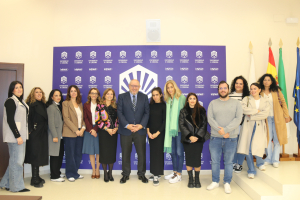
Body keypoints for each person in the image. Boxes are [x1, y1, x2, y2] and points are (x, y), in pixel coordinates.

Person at [207, 81, 243, 194]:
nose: (223, 90)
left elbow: (238, 119)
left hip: (231, 138)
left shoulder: (236, 103)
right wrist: (221, 131)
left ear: (228, 89)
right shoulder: (213, 103)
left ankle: (227, 182)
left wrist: (226, 130)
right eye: (221, 88)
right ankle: (215, 181)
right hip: (215, 138)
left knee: (229, 162)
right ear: (218, 90)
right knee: (215, 161)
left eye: (225, 88)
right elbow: (210, 119)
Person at [117, 79, 149, 184]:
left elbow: (146, 113)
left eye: (136, 86)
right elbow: (120, 112)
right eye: (132, 85)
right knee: (125, 153)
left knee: (141, 154)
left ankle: (142, 174)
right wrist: (127, 125)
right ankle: (125, 174)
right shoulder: (122, 97)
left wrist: (140, 126)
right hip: (126, 130)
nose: (134, 88)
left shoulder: (144, 97)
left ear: (139, 86)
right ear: (128, 86)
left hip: (140, 131)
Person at [0, 81, 30, 192]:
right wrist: (17, 136)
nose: (19, 89)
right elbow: (10, 120)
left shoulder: (21, 101)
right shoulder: (10, 101)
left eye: (21, 87)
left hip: (22, 136)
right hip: (15, 137)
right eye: (16, 87)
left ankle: (5, 183)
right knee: (17, 162)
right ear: (12, 90)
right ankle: (16, 187)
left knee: (15, 161)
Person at [237, 83, 270, 178]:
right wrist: (256, 111)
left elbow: (265, 114)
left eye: (255, 89)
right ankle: (251, 170)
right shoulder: (246, 99)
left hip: (259, 126)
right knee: (248, 148)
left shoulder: (265, 101)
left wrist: (251, 116)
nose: (252, 91)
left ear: (259, 89)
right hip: (247, 126)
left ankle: (260, 163)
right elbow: (243, 109)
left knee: (258, 145)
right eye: (251, 89)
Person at [258, 74, 291, 168]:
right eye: (265, 80)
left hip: (278, 118)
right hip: (265, 119)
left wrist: (286, 115)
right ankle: (268, 158)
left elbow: (283, 103)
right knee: (267, 139)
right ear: (262, 81)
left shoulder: (276, 91)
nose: (266, 81)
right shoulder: (260, 92)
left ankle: (275, 160)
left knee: (277, 139)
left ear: (272, 81)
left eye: (268, 80)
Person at [179, 93, 210, 188]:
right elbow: (181, 125)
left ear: (196, 100)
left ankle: (197, 179)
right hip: (187, 140)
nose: (192, 100)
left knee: (196, 159)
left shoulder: (201, 110)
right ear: (187, 100)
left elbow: (204, 125)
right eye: (190, 98)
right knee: (189, 159)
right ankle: (190, 179)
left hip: (198, 139)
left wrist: (196, 136)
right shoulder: (183, 111)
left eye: (194, 98)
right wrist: (189, 136)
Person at [25, 87, 49, 188]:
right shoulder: (31, 104)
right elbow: (28, 118)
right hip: (35, 133)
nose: (39, 94)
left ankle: (37, 176)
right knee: (35, 154)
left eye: (40, 92)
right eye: (36, 92)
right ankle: (34, 179)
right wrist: (30, 130)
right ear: (33, 94)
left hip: (42, 132)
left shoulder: (43, 104)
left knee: (39, 154)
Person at [163, 80, 186, 184]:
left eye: (171, 87)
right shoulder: (168, 100)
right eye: (168, 88)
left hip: (179, 130)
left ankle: (179, 174)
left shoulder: (181, 98)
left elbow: (186, 114)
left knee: (179, 152)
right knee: (172, 152)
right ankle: (175, 172)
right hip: (170, 131)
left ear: (175, 87)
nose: (170, 89)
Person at [62, 85, 86, 182]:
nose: (73, 93)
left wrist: (82, 129)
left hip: (80, 132)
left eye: (75, 91)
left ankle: (75, 172)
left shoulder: (79, 104)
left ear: (77, 92)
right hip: (70, 132)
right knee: (70, 154)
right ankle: (70, 174)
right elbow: (66, 119)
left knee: (78, 153)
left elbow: (82, 119)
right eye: (71, 91)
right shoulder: (65, 103)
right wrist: (76, 130)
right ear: (69, 93)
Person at [96, 88, 119, 182]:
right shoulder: (100, 106)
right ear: (104, 95)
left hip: (114, 133)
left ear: (113, 96)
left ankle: (110, 173)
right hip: (104, 133)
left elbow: (118, 120)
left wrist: (116, 128)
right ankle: (105, 173)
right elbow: (97, 121)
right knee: (104, 153)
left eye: (111, 94)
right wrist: (107, 129)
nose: (109, 95)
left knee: (112, 152)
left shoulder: (116, 106)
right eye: (108, 94)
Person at [229, 76, 250, 173]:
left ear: (244, 85)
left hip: (244, 123)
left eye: (240, 83)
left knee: (242, 143)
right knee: (233, 144)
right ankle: (233, 162)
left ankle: (239, 163)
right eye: (237, 83)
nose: (238, 85)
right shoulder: (230, 96)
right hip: (233, 124)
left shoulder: (248, 97)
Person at [147, 87, 166, 186]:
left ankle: (156, 175)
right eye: (153, 95)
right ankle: (155, 173)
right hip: (151, 133)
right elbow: (148, 121)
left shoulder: (163, 106)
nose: (155, 97)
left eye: (157, 95)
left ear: (161, 95)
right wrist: (149, 132)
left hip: (159, 133)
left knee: (158, 153)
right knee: (153, 153)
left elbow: (165, 122)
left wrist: (157, 133)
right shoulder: (150, 106)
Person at [46, 89, 65, 182]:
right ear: (51, 97)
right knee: (54, 156)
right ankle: (54, 176)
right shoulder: (51, 107)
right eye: (56, 95)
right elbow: (51, 123)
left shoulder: (59, 106)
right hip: (55, 136)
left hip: (60, 135)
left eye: (59, 95)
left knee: (59, 154)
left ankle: (57, 172)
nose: (58, 97)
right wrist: (54, 135)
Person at [82, 88, 100, 179]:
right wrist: (91, 130)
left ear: (97, 95)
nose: (93, 95)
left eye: (95, 93)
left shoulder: (101, 105)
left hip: (98, 130)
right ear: (89, 94)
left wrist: (95, 130)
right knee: (91, 151)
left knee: (98, 151)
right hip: (89, 130)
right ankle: (93, 170)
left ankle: (97, 169)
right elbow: (85, 118)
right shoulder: (85, 105)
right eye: (92, 93)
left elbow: (101, 119)